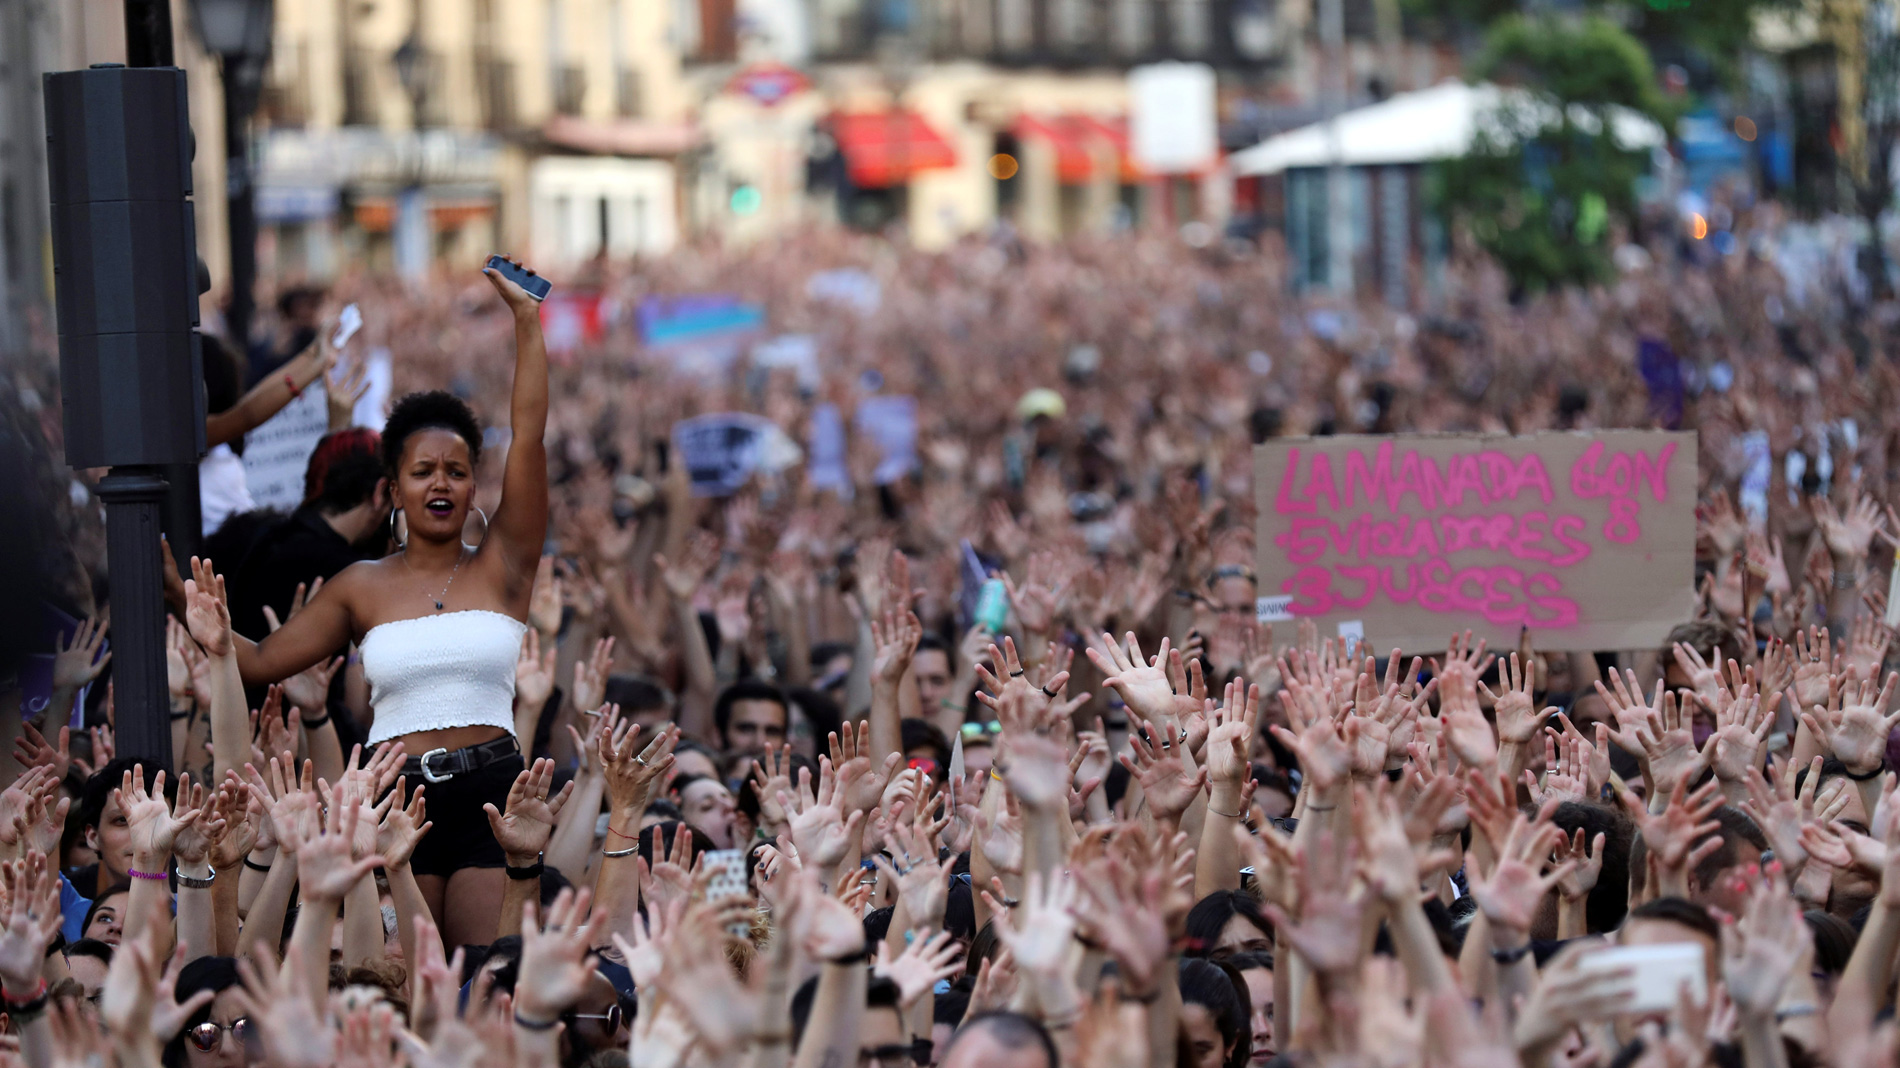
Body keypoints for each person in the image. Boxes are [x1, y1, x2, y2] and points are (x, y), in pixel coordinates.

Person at [179, 257, 549, 949]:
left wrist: (527, 321)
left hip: (493, 799)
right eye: (422, 471)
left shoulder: (505, 564)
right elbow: (258, 663)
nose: (440, 483)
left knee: (485, 976)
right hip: (390, 803)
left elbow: (528, 435)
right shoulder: (358, 584)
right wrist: (195, 615)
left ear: (474, 487)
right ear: (393, 488)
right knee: (395, 985)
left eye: (457, 471)